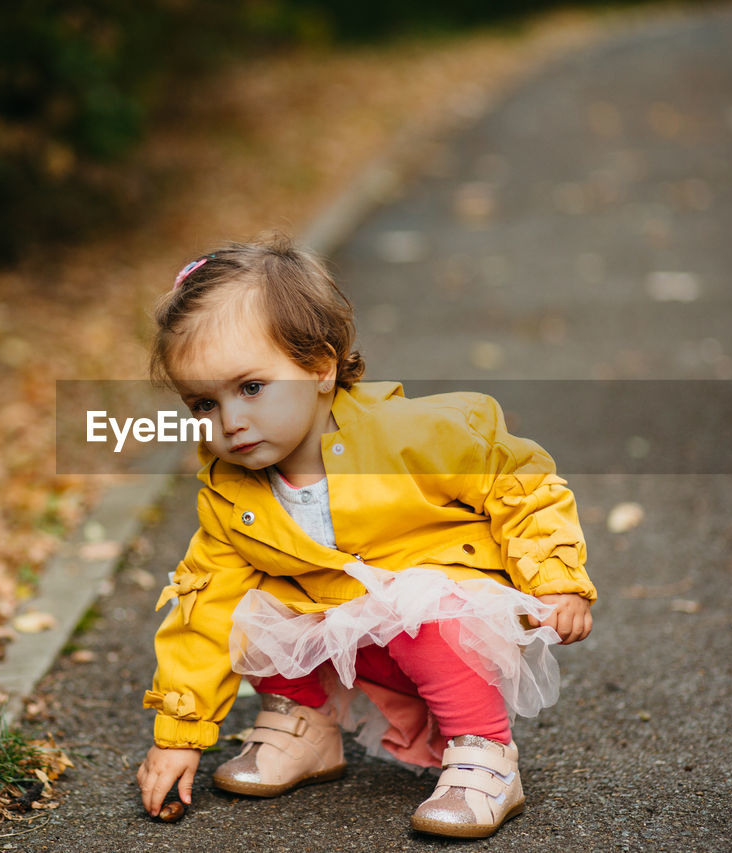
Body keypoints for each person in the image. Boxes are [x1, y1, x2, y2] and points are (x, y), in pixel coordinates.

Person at [135, 236, 596, 838]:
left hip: (442, 627)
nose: (230, 421)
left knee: (426, 615)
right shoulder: (233, 495)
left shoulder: (411, 435)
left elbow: (519, 483)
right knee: (243, 610)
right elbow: (203, 613)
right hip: (339, 632)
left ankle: (483, 755)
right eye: (204, 403)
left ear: (320, 366)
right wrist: (179, 735)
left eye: (250, 387)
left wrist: (557, 579)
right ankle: (306, 725)